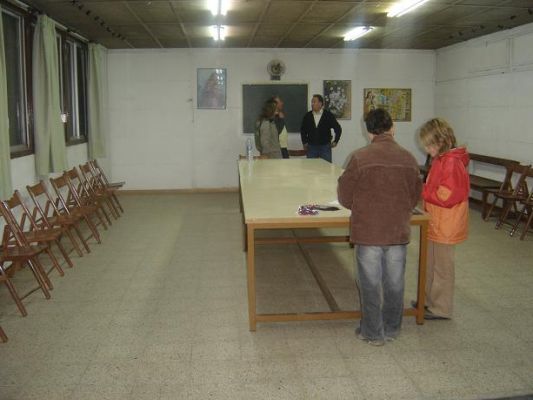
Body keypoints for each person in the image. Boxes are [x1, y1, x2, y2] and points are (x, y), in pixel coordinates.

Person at [337, 108, 422, 346]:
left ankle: (372, 332)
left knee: (370, 284)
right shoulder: (409, 158)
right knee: (395, 283)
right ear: (392, 127)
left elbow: (345, 197)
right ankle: (392, 328)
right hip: (397, 231)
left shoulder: (359, 158)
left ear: (368, 131)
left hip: (368, 232)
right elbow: (415, 196)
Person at [418, 118, 469, 320]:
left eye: (429, 145)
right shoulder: (441, 159)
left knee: (442, 268)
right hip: (436, 220)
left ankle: (442, 308)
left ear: (441, 141)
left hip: (446, 224)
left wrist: (422, 190)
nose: (427, 149)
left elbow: (446, 196)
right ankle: (428, 300)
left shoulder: (451, 162)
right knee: (430, 263)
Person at [300, 94, 342, 163]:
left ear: (320, 103)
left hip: (325, 147)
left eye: (314, 102)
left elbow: (338, 128)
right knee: (310, 167)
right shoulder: (307, 116)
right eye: (312, 102)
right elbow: (303, 130)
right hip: (311, 147)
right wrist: (304, 142)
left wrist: (336, 141)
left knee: (326, 167)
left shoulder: (328, 115)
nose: (312, 104)